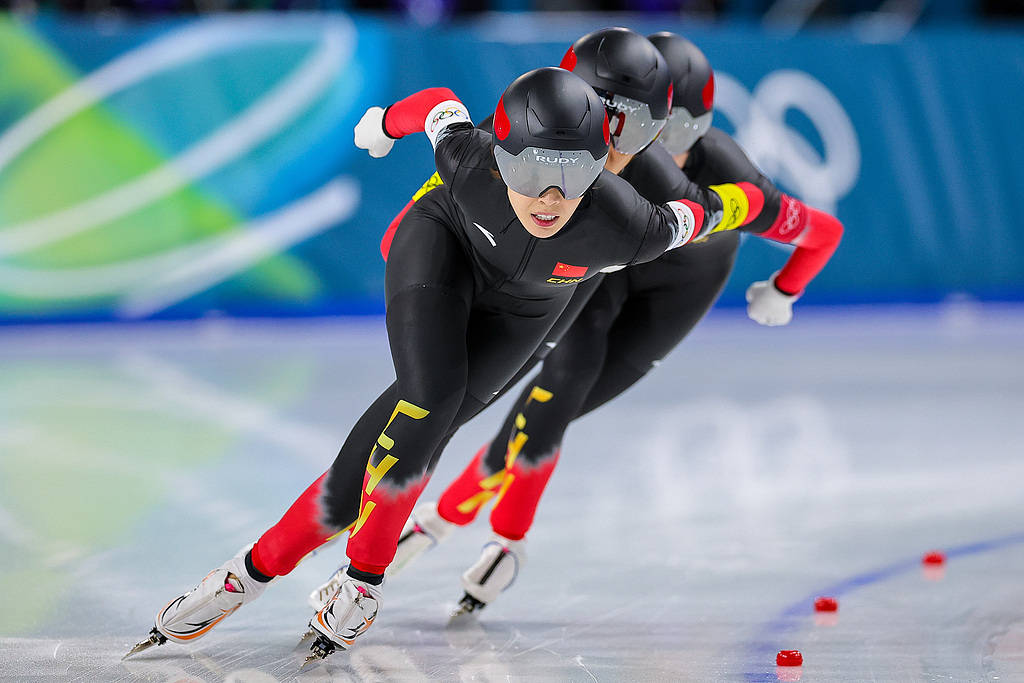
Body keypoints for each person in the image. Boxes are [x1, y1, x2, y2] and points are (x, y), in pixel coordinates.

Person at [126, 64, 765, 662]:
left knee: (406, 439)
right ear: (501, 158)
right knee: (431, 395)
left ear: (599, 168)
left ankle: (249, 572)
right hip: (441, 252)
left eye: (572, 175)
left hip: (526, 309)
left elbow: (729, 208)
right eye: (530, 172)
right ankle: (363, 578)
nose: (548, 197)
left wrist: (775, 216)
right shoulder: (469, 159)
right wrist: (382, 124)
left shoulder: (634, 227)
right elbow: (437, 106)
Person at [313, 30, 844, 617]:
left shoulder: (692, 177)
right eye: (628, 128)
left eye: (671, 133)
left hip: (673, 289)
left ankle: (460, 523)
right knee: (549, 388)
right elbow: (455, 176)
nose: (639, 149)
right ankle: (453, 527)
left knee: (549, 404)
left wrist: (785, 288)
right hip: (600, 265)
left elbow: (818, 230)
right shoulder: (570, 148)